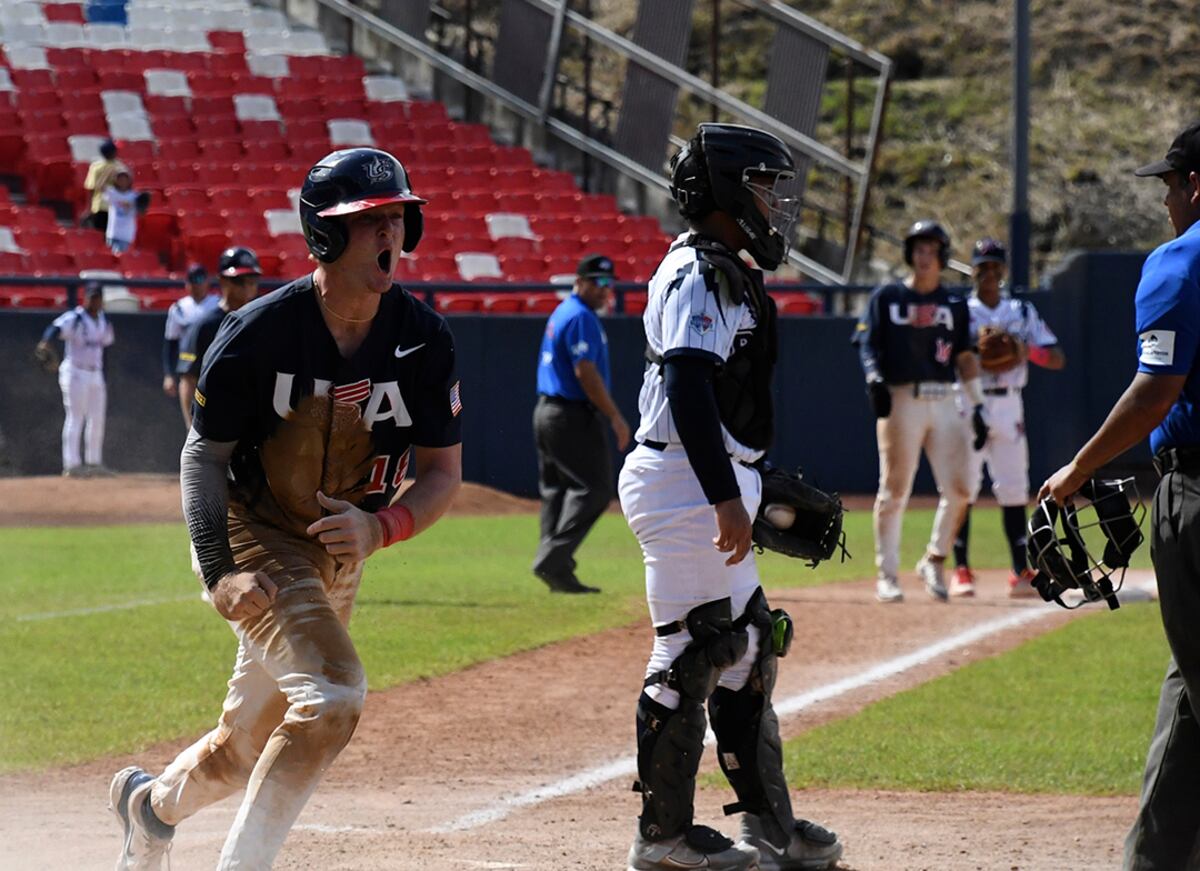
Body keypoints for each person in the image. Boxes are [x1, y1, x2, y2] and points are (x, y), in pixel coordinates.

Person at [108, 147, 463, 871]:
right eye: (370, 222)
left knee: (246, 747)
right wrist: (218, 569)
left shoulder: (424, 339)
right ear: (326, 237)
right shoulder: (259, 332)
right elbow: (202, 457)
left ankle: (149, 808)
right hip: (255, 534)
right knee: (334, 694)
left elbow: (442, 473)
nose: (390, 235)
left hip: (340, 547)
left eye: (397, 217)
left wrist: (379, 527)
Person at [618, 122, 843, 871]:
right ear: (720, 190)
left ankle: (769, 828)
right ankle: (663, 838)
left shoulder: (721, 266)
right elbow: (683, 379)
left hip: (699, 474)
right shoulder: (699, 270)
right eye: (760, 186)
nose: (773, 203)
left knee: (746, 647)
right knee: (694, 649)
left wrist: (743, 477)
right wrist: (725, 494)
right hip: (684, 479)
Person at [1039, 120, 1200, 871]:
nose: (1165, 199)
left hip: (1197, 492)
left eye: (1169, 183)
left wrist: (1076, 470)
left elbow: (1156, 391)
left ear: (1195, 184)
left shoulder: (1179, 260)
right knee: (1188, 678)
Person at [854, 220, 988, 603]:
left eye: (931, 250)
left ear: (943, 256)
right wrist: (874, 378)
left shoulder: (954, 305)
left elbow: (964, 356)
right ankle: (887, 575)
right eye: (918, 249)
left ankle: (933, 558)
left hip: (945, 399)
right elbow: (867, 344)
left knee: (962, 488)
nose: (924, 256)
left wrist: (978, 405)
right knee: (894, 489)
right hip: (902, 399)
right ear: (909, 254)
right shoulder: (887, 297)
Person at [949, 238, 1065, 598]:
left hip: (1010, 403)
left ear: (1003, 270)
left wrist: (1023, 350)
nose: (989, 273)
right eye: (982, 266)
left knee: (1014, 486)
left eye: (995, 266)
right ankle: (961, 569)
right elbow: (946, 357)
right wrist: (974, 353)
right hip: (969, 402)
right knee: (963, 487)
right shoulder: (960, 312)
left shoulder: (1021, 311)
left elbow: (1057, 357)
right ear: (973, 270)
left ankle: (1020, 568)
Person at [531, 253, 630, 594]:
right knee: (596, 488)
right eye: (598, 282)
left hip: (548, 412)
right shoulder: (581, 317)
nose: (605, 289)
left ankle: (556, 569)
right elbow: (585, 372)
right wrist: (614, 415)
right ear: (580, 282)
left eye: (609, 283)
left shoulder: (566, 313)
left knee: (557, 491)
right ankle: (553, 558)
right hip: (569, 415)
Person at [176, 248, 261, 429]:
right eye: (239, 281)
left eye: (252, 281)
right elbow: (188, 379)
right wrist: (192, 427)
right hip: (215, 422)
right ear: (223, 280)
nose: (247, 287)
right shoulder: (205, 326)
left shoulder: (263, 322)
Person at [35, 282, 115, 477]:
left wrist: (104, 373)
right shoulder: (76, 317)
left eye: (97, 297)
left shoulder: (104, 320)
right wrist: (46, 342)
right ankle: (72, 464)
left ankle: (94, 463)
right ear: (85, 298)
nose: (94, 300)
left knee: (97, 419)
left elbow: (105, 347)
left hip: (95, 373)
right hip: (75, 372)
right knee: (76, 417)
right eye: (91, 297)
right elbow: (54, 328)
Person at [161, 264, 219, 412]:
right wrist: (168, 374)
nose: (196, 284)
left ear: (207, 281)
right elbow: (171, 343)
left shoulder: (218, 304)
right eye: (192, 280)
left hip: (212, 363)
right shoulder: (179, 308)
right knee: (190, 418)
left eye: (200, 279)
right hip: (189, 364)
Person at [83, 139, 121, 233]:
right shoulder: (120, 167)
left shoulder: (96, 166)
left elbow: (91, 188)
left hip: (99, 206)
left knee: (99, 235)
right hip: (115, 207)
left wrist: (89, 208)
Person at [103, 168, 139, 254]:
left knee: (119, 257)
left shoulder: (134, 196)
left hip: (125, 235)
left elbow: (140, 210)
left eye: (124, 179)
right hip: (112, 233)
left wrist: (130, 206)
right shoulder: (112, 193)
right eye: (120, 179)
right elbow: (100, 187)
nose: (122, 181)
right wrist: (107, 174)